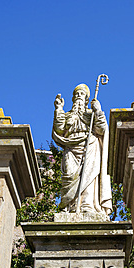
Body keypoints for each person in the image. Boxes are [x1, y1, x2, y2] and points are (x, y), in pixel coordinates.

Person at [52, 83, 112, 216]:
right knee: (69, 174)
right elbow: (59, 129)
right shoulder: (67, 115)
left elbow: (101, 129)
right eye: (76, 94)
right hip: (71, 148)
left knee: (89, 176)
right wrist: (58, 109)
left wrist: (98, 110)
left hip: (89, 146)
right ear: (73, 99)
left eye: (82, 94)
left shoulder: (91, 114)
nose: (79, 96)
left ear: (86, 99)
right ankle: (70, 205)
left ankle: (86, 205)